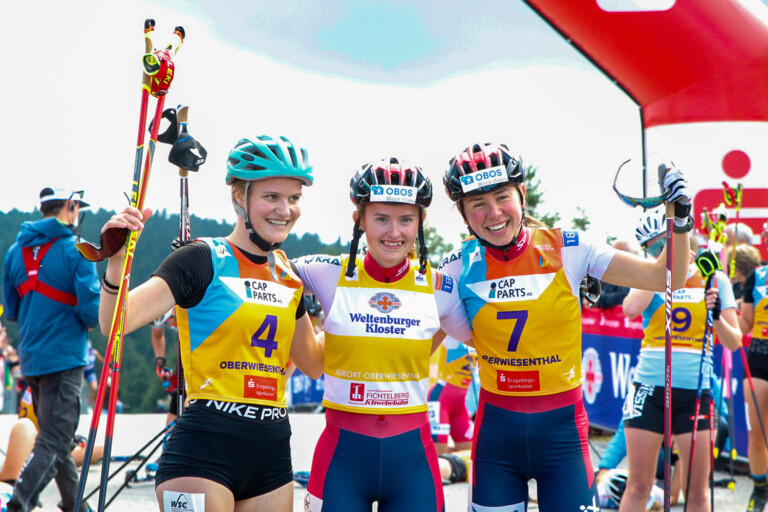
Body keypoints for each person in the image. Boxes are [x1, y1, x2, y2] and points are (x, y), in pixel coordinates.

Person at [438, 142, 694, 511]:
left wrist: (680, 218)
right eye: (477, 203)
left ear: (521, 194)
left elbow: (668, 275)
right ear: (463, 213)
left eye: (501, 196)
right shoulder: (457, 266)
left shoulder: (569, 248)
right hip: (497, 438)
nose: (493, 212)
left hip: (563, 437)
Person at [97, 135, 324, 512]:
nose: (285, 209)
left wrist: (351, 307)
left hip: (271, 452)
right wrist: (117, 262)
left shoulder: (288, 274)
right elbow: (115, 323)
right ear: (240, 197)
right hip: (204, 449)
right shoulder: (201, 257)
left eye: (294, 198)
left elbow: (314, 364)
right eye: (271, 197)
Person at [293, 157, 473, 511]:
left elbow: (489, 340)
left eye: (406, 220)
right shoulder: (324, 272)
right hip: (341, 458)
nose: (395, 232)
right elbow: (256, 267)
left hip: (413, 462)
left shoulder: (441, 287)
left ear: (421, 221)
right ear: (358, 219)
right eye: (381, 219)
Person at [619, 208, 742, 512]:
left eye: (667, 243)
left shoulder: (713, 277)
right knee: (639, 486)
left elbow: (733, 341)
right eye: (655, 248)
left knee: (697, 493)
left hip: (694, 394)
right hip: (649, 389)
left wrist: (715, 316)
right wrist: (658, 274)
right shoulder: (648, 275)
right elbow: (630, 309)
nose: (663, 252)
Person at [2, 187, 100, 512]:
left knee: (54, 438)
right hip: (65, 356)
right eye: (78, 208)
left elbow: (12, 311)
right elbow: (91, 313)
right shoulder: (77, 250)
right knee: (56, 439)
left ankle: (76, 506)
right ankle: (18, 505)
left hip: (31, 358)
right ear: (70, 206)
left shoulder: (16, 251)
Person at [739, 220, 768, 512]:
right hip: (759, 357)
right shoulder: (757, 277)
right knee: (756, 432)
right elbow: (745, 323)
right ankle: (760, 490)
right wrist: (722, 310)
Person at [427, 335, 476, 454]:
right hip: (440, 400)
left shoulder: (477, 333)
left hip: (460, 403)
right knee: (439, 455)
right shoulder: (452, 334)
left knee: (469, 454)